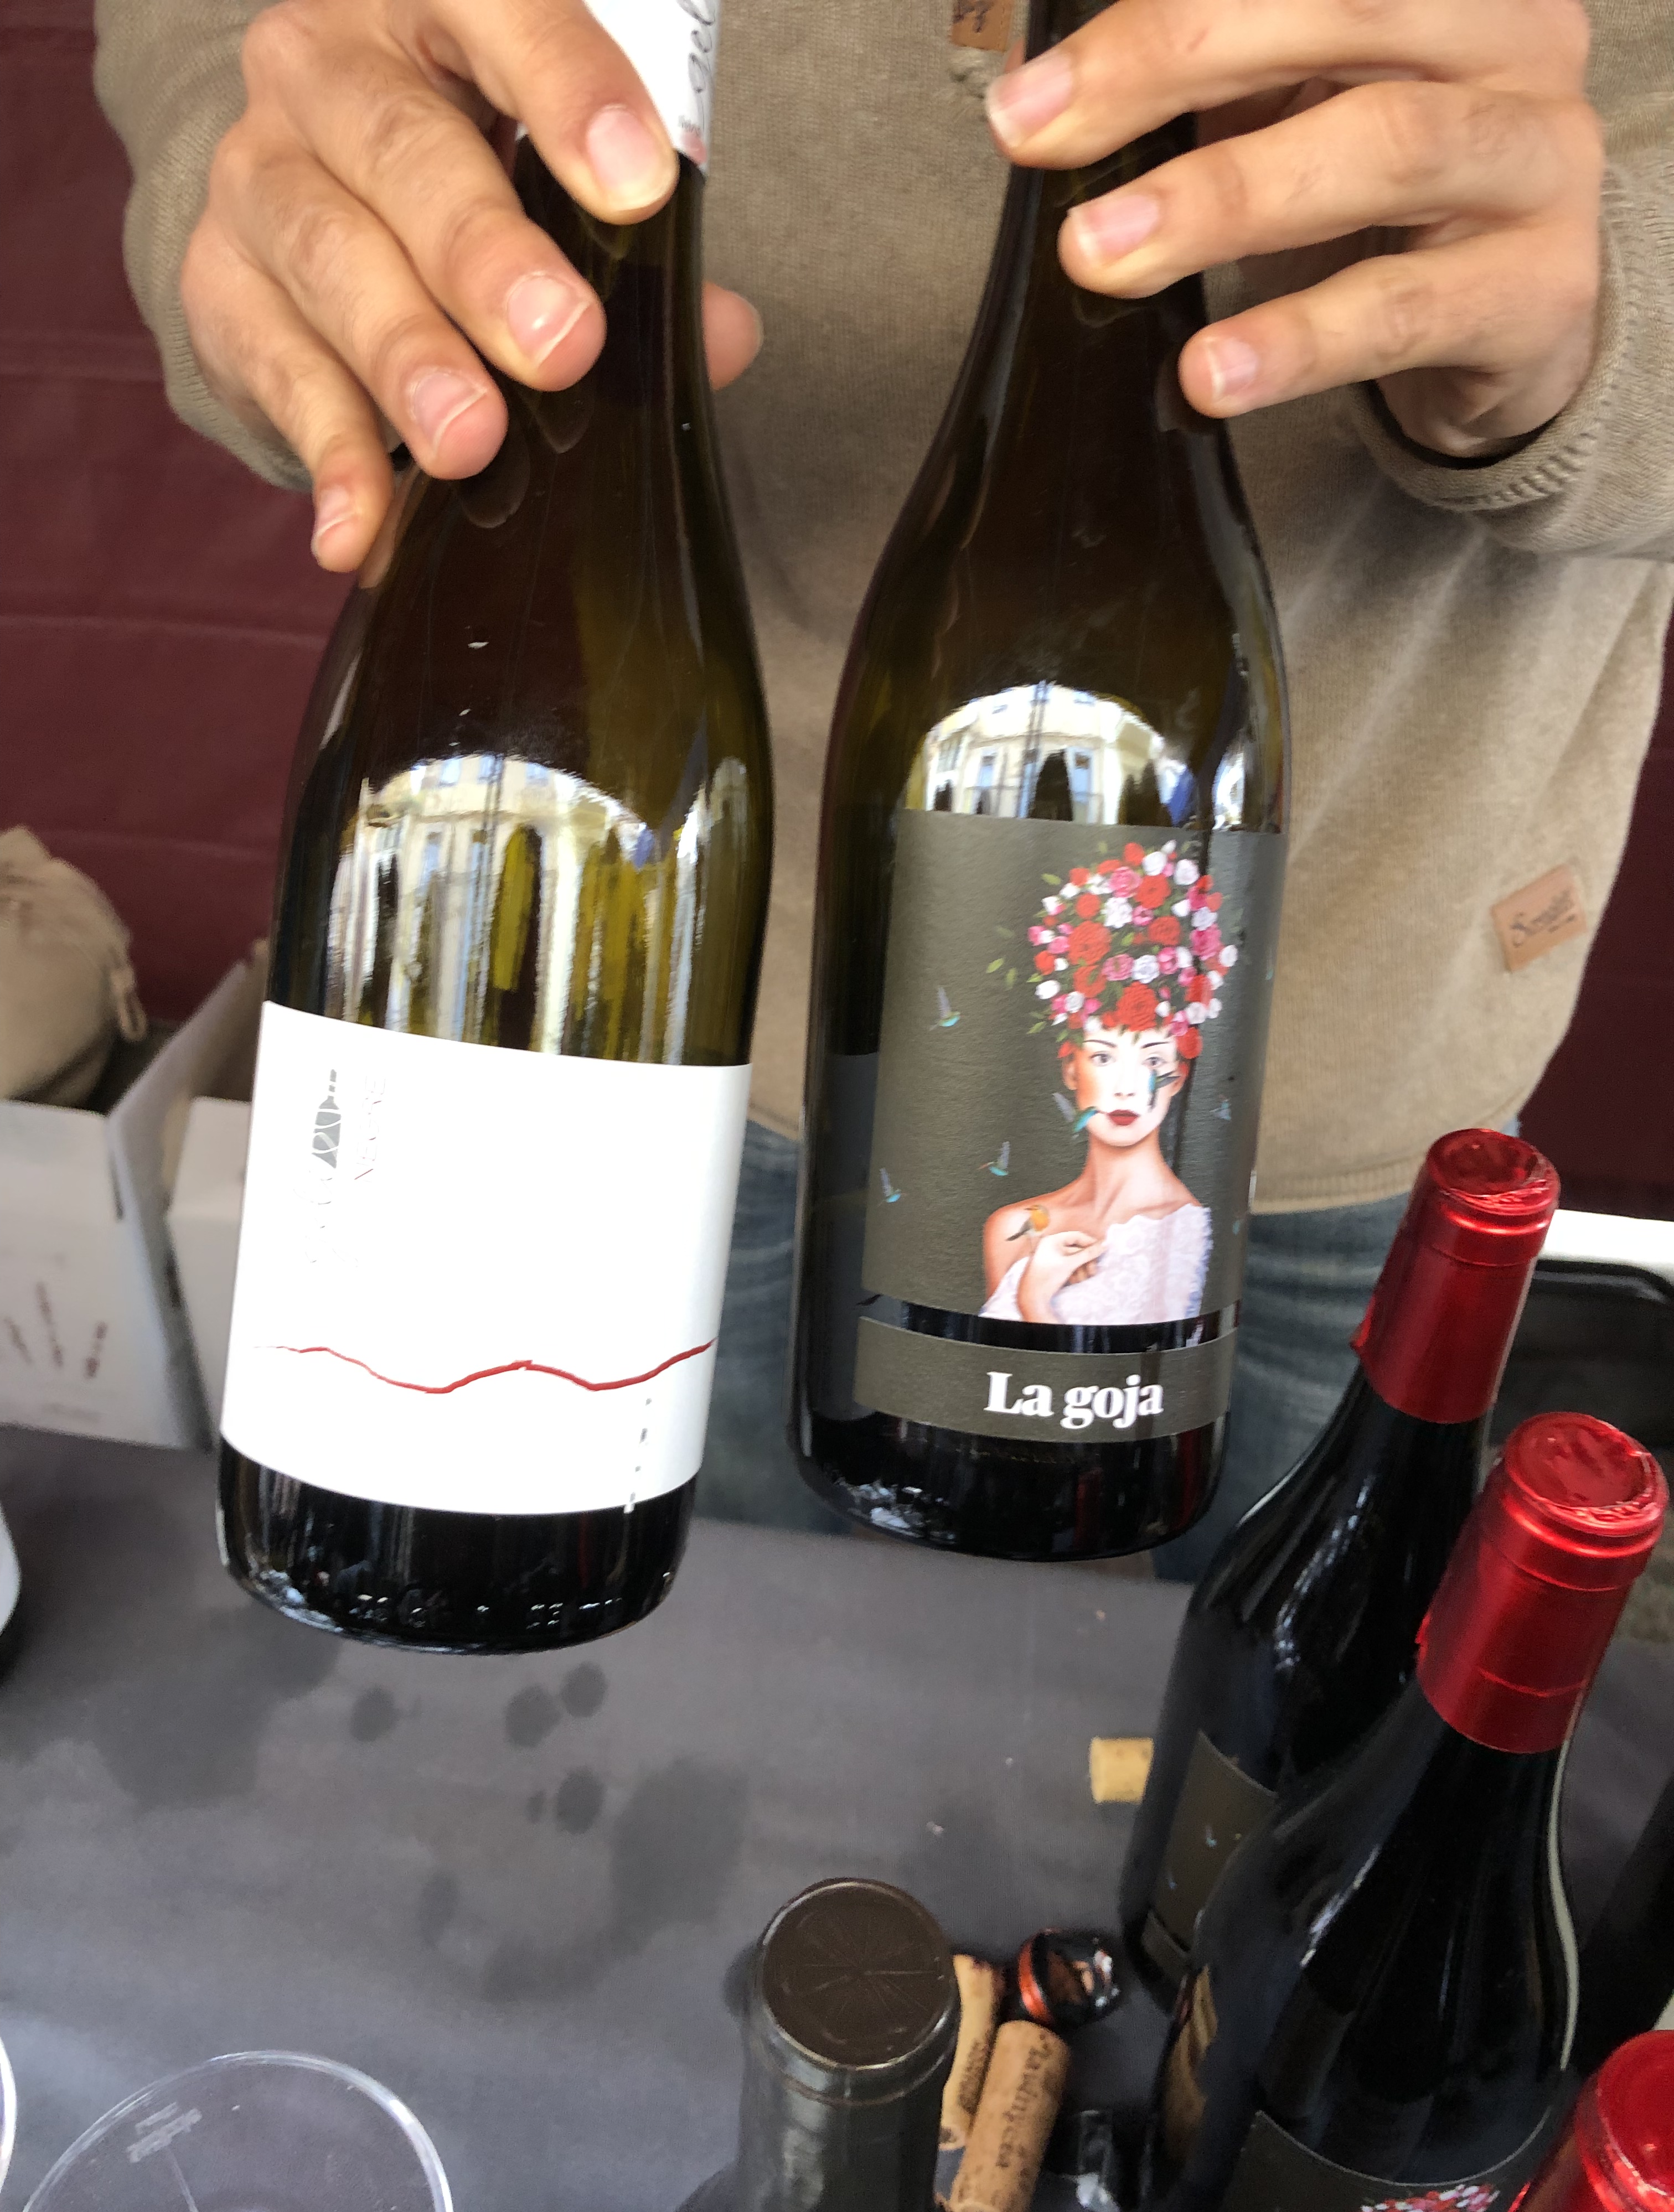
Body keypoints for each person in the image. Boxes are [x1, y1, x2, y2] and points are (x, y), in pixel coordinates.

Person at [93, 0, 1674, 1575]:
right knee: (743, 1683)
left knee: (1283, 1692)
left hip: (1386, 1067)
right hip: (710, 1056)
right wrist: (281, 205)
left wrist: (1611, 321)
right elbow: (212, 34)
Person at [981, 840, 1232, 1327]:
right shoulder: (1012, 1227)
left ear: (1178, 1077)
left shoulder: (1185, 1233)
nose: (1126, 1088)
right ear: (1071, 1069)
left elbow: (1146, 1372)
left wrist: (1035, 1301)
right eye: (1103, 1056)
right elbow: (997, 1366)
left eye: (1152, 1060)